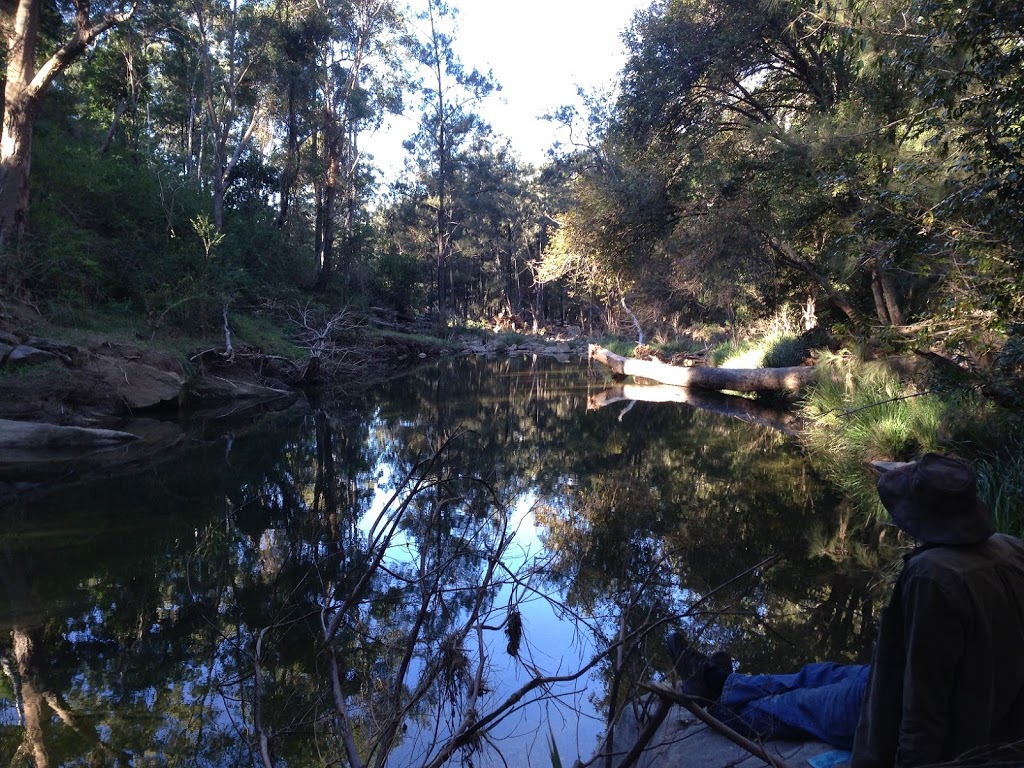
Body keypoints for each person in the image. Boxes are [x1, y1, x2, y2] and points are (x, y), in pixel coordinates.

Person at [669, 453, 1024, 767]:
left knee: (788, 708)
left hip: (904, 711)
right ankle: (719, 681)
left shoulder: (931, 576)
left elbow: (924, 702)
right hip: (949, 694)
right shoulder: (1009, 548)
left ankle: (715, 707)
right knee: (820, 674)